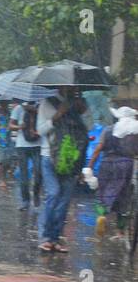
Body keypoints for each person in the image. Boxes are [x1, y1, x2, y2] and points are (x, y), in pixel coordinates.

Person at [35, 90, 88, 252]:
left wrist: (83, 111)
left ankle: (55, 238)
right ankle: (44, 236)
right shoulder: (47, 103)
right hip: (49, 156)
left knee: (64, 201)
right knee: (54, 193)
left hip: (71, 158)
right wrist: (58, 115)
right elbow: (41, 130)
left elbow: (88, 129)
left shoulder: (78, 103)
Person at [83, 105, 138, 235]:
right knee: (123, 194)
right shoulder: (134, 133)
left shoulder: (108, 130)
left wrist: (89, 166)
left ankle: (101, 214)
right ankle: (120, 230)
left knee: (103, 191)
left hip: (106, 163)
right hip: (126, 164)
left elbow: (98, 149)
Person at [10, 99, 41, 209]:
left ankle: (36, 194)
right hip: (22, 145)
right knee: (24, 174)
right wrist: (20, 127)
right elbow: (11, 125)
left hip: (37, 145)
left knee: (38, 172)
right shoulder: (18, 109)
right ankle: (25, 200)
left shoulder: (40, 107)